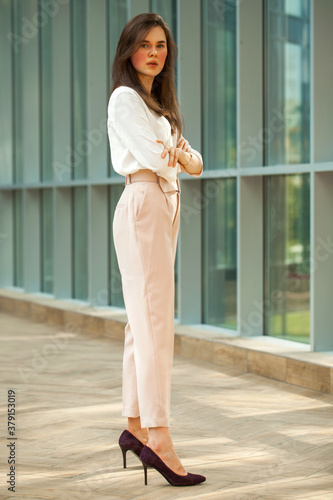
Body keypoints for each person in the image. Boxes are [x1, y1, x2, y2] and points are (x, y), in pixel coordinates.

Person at [107, 13, 205, 487]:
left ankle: (134, 425)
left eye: (162, 45)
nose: (154, 51)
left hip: (161, 204)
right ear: (129, 50)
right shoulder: (125, 98)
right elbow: (155, 158)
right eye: (145, 44)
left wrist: (178, 155)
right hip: (144, 200)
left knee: (140, 322)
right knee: (154, 325)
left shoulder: (156, 105)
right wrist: (175, 155)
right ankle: (159, 438)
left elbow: (197, 162)